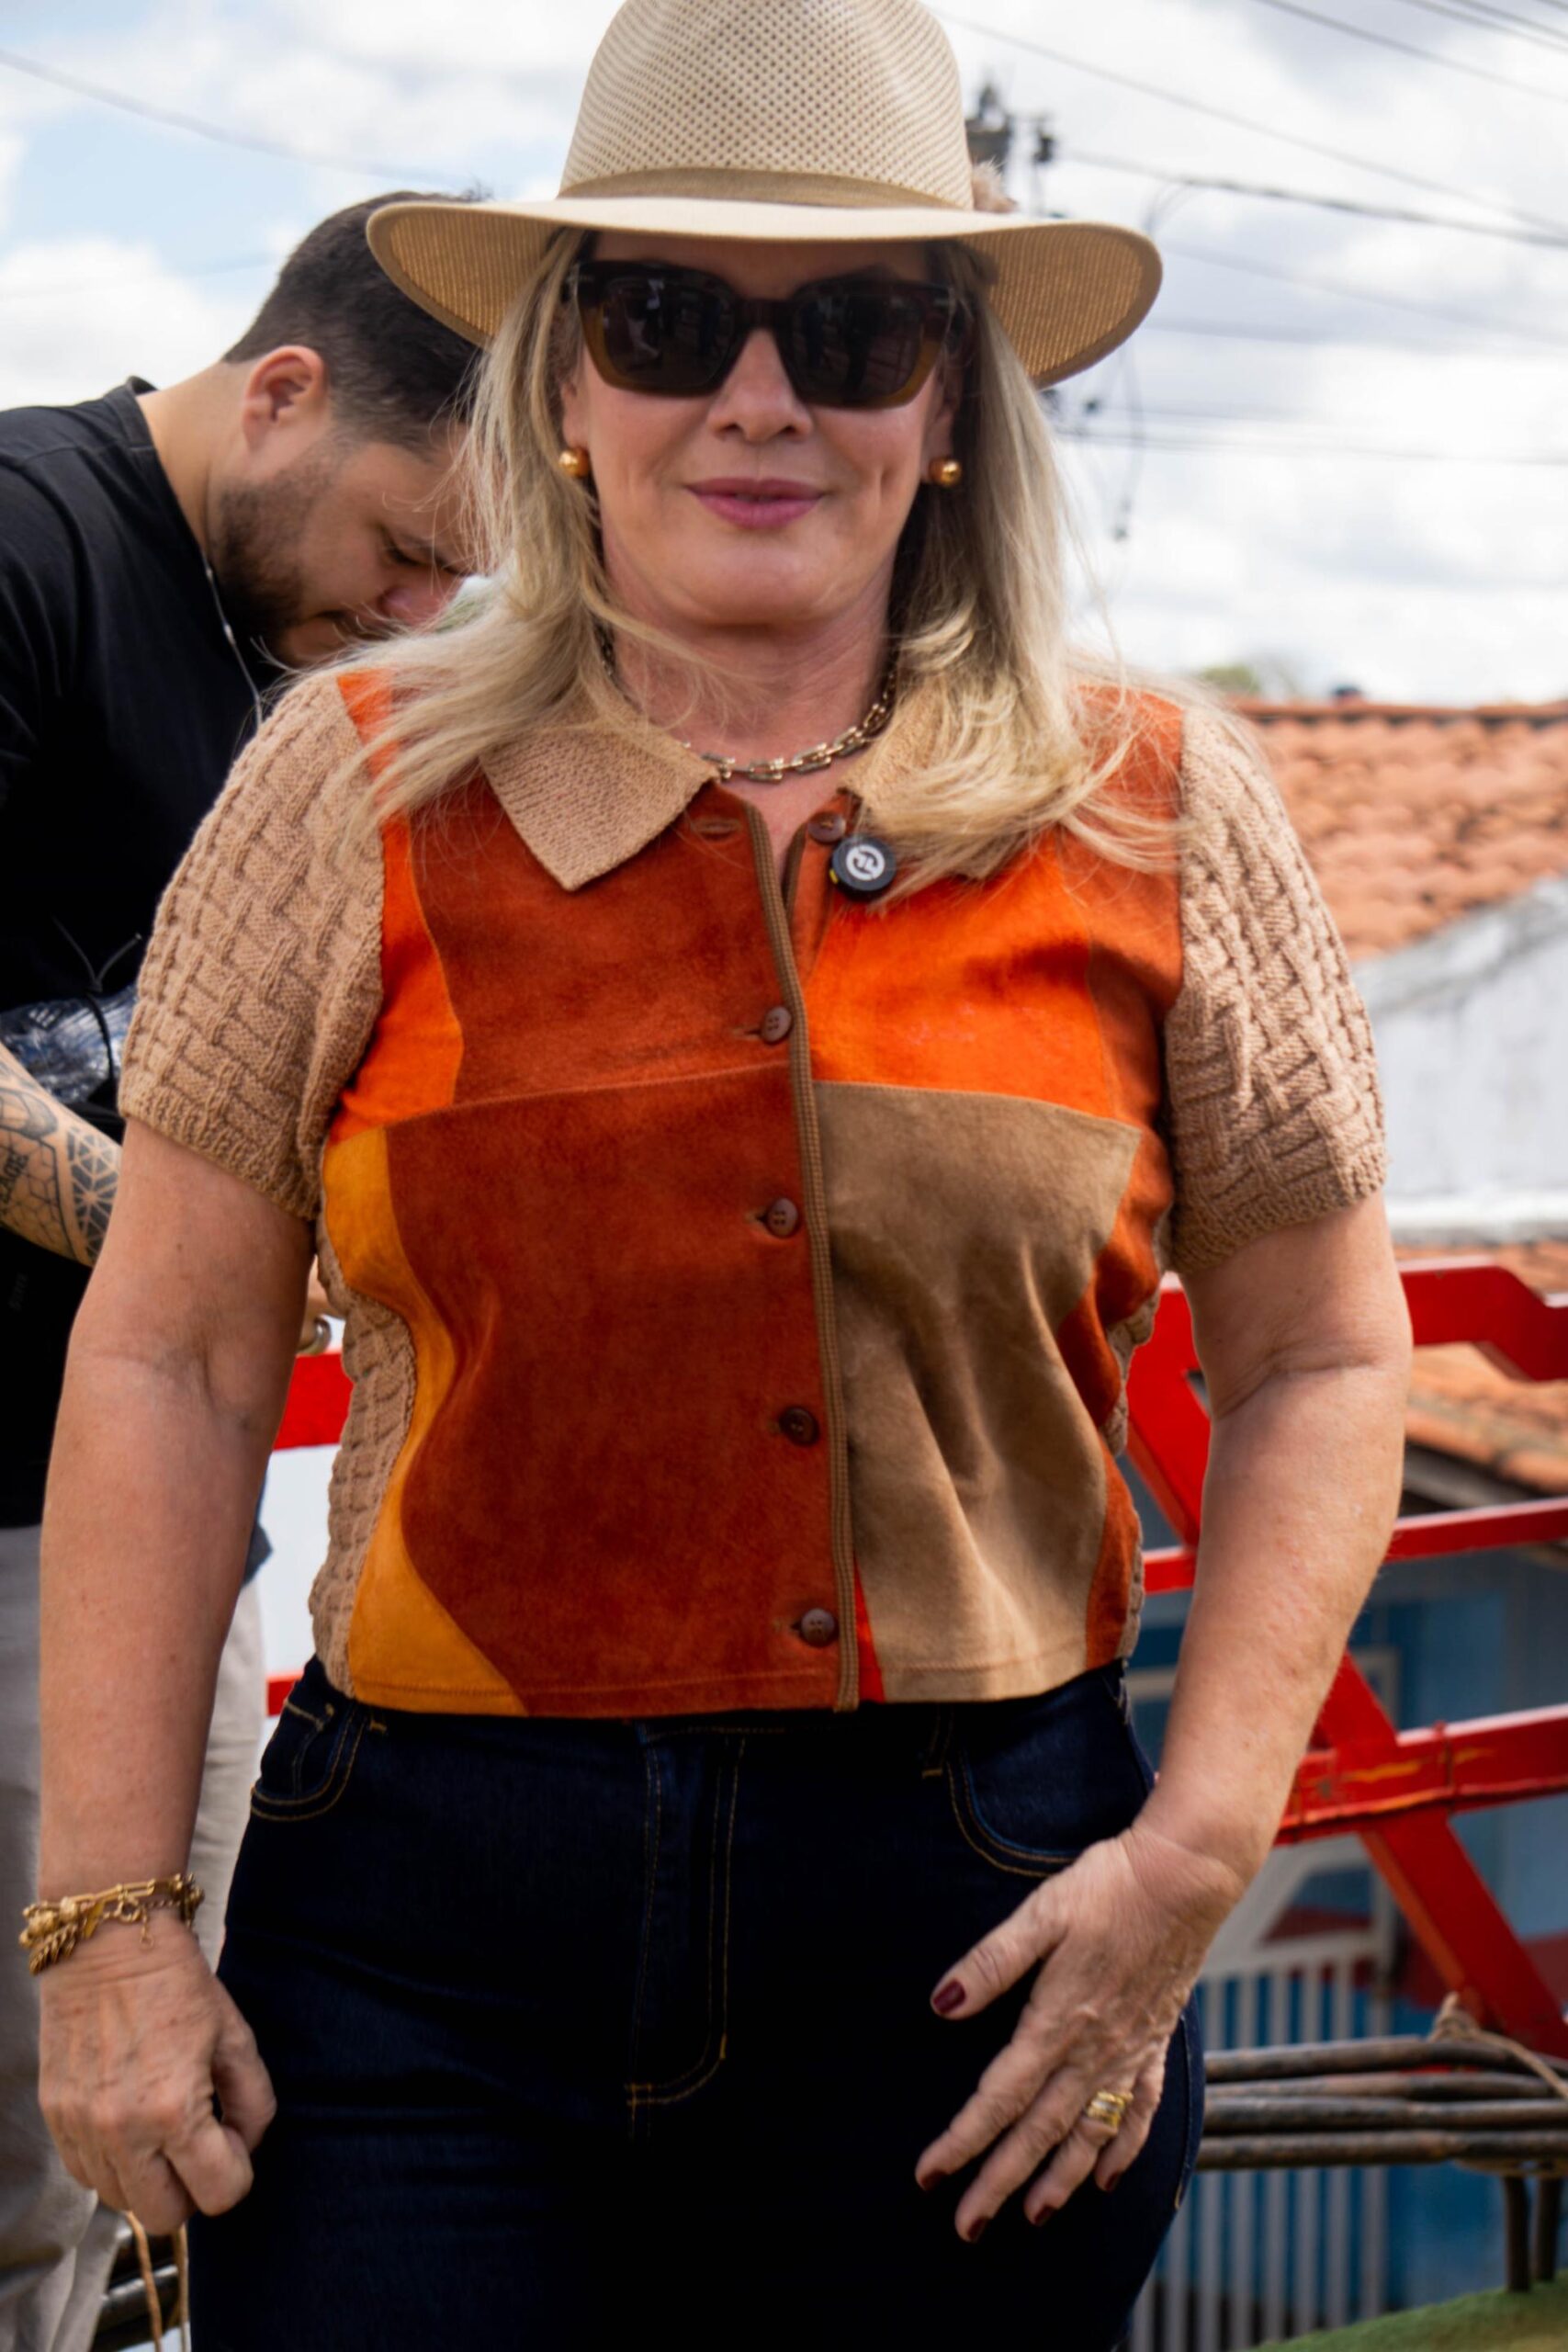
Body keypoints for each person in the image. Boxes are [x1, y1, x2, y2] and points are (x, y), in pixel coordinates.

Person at [31, 4, 1412, 2344]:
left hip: (976, 1934)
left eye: (851, 331)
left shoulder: (1158, 806)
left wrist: (1191, 1854)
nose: (757, 401)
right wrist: (106, 1923)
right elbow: (168, 1352)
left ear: (946, 402)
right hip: (421, 1952)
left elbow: (1323, 1359)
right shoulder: (347, 789)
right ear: (564, 386)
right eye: (668, 319)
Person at [0, 193, 477, 2350]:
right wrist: (203, 1252)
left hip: (139, 1516)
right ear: (281, 390)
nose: (418, 603)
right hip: (20, 1519)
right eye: (406, 544)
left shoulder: (289, 661)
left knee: (114, 2170)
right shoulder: (28, 534)